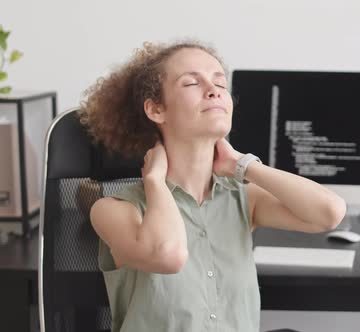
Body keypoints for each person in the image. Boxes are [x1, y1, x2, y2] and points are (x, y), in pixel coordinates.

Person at [80, 40, 346, 332]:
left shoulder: (241, 198)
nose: (214, 90)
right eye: (192, 83)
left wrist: (243, 166)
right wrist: (155, 181)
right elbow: (168, 255)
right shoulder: (113, 210)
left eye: (220, 82)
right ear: (156, 109)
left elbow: (329, 213)